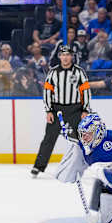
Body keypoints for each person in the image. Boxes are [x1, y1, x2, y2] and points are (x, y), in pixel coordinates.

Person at [31, 46, 91, 178]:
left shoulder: (79, 72)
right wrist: (49, 111)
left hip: (75, 109)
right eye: (63, 55)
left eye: (68, 55)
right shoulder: (53, 73)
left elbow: (85, 92)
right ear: (59, 56)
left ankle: (86, 165)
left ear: (72, 56)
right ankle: (38, 166)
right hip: (57, 110)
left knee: (81, 138)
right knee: (49, 138)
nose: (65, 57)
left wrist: (85, 109)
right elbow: (47, 93)